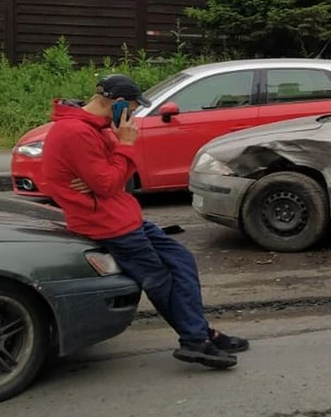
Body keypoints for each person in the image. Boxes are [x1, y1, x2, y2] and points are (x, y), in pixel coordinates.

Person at [40, 73, 248, 369]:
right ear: (118, 103)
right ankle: (195, 340)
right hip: (108, 224)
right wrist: (123, 147)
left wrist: (111, 162)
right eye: (134, 108)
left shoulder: (99, 127)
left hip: (124, 215)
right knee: (160, 279)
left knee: (182, 259)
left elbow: (114, 177)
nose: (135, 115)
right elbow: (111, 182)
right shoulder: (76, 132)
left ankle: (201, 333)